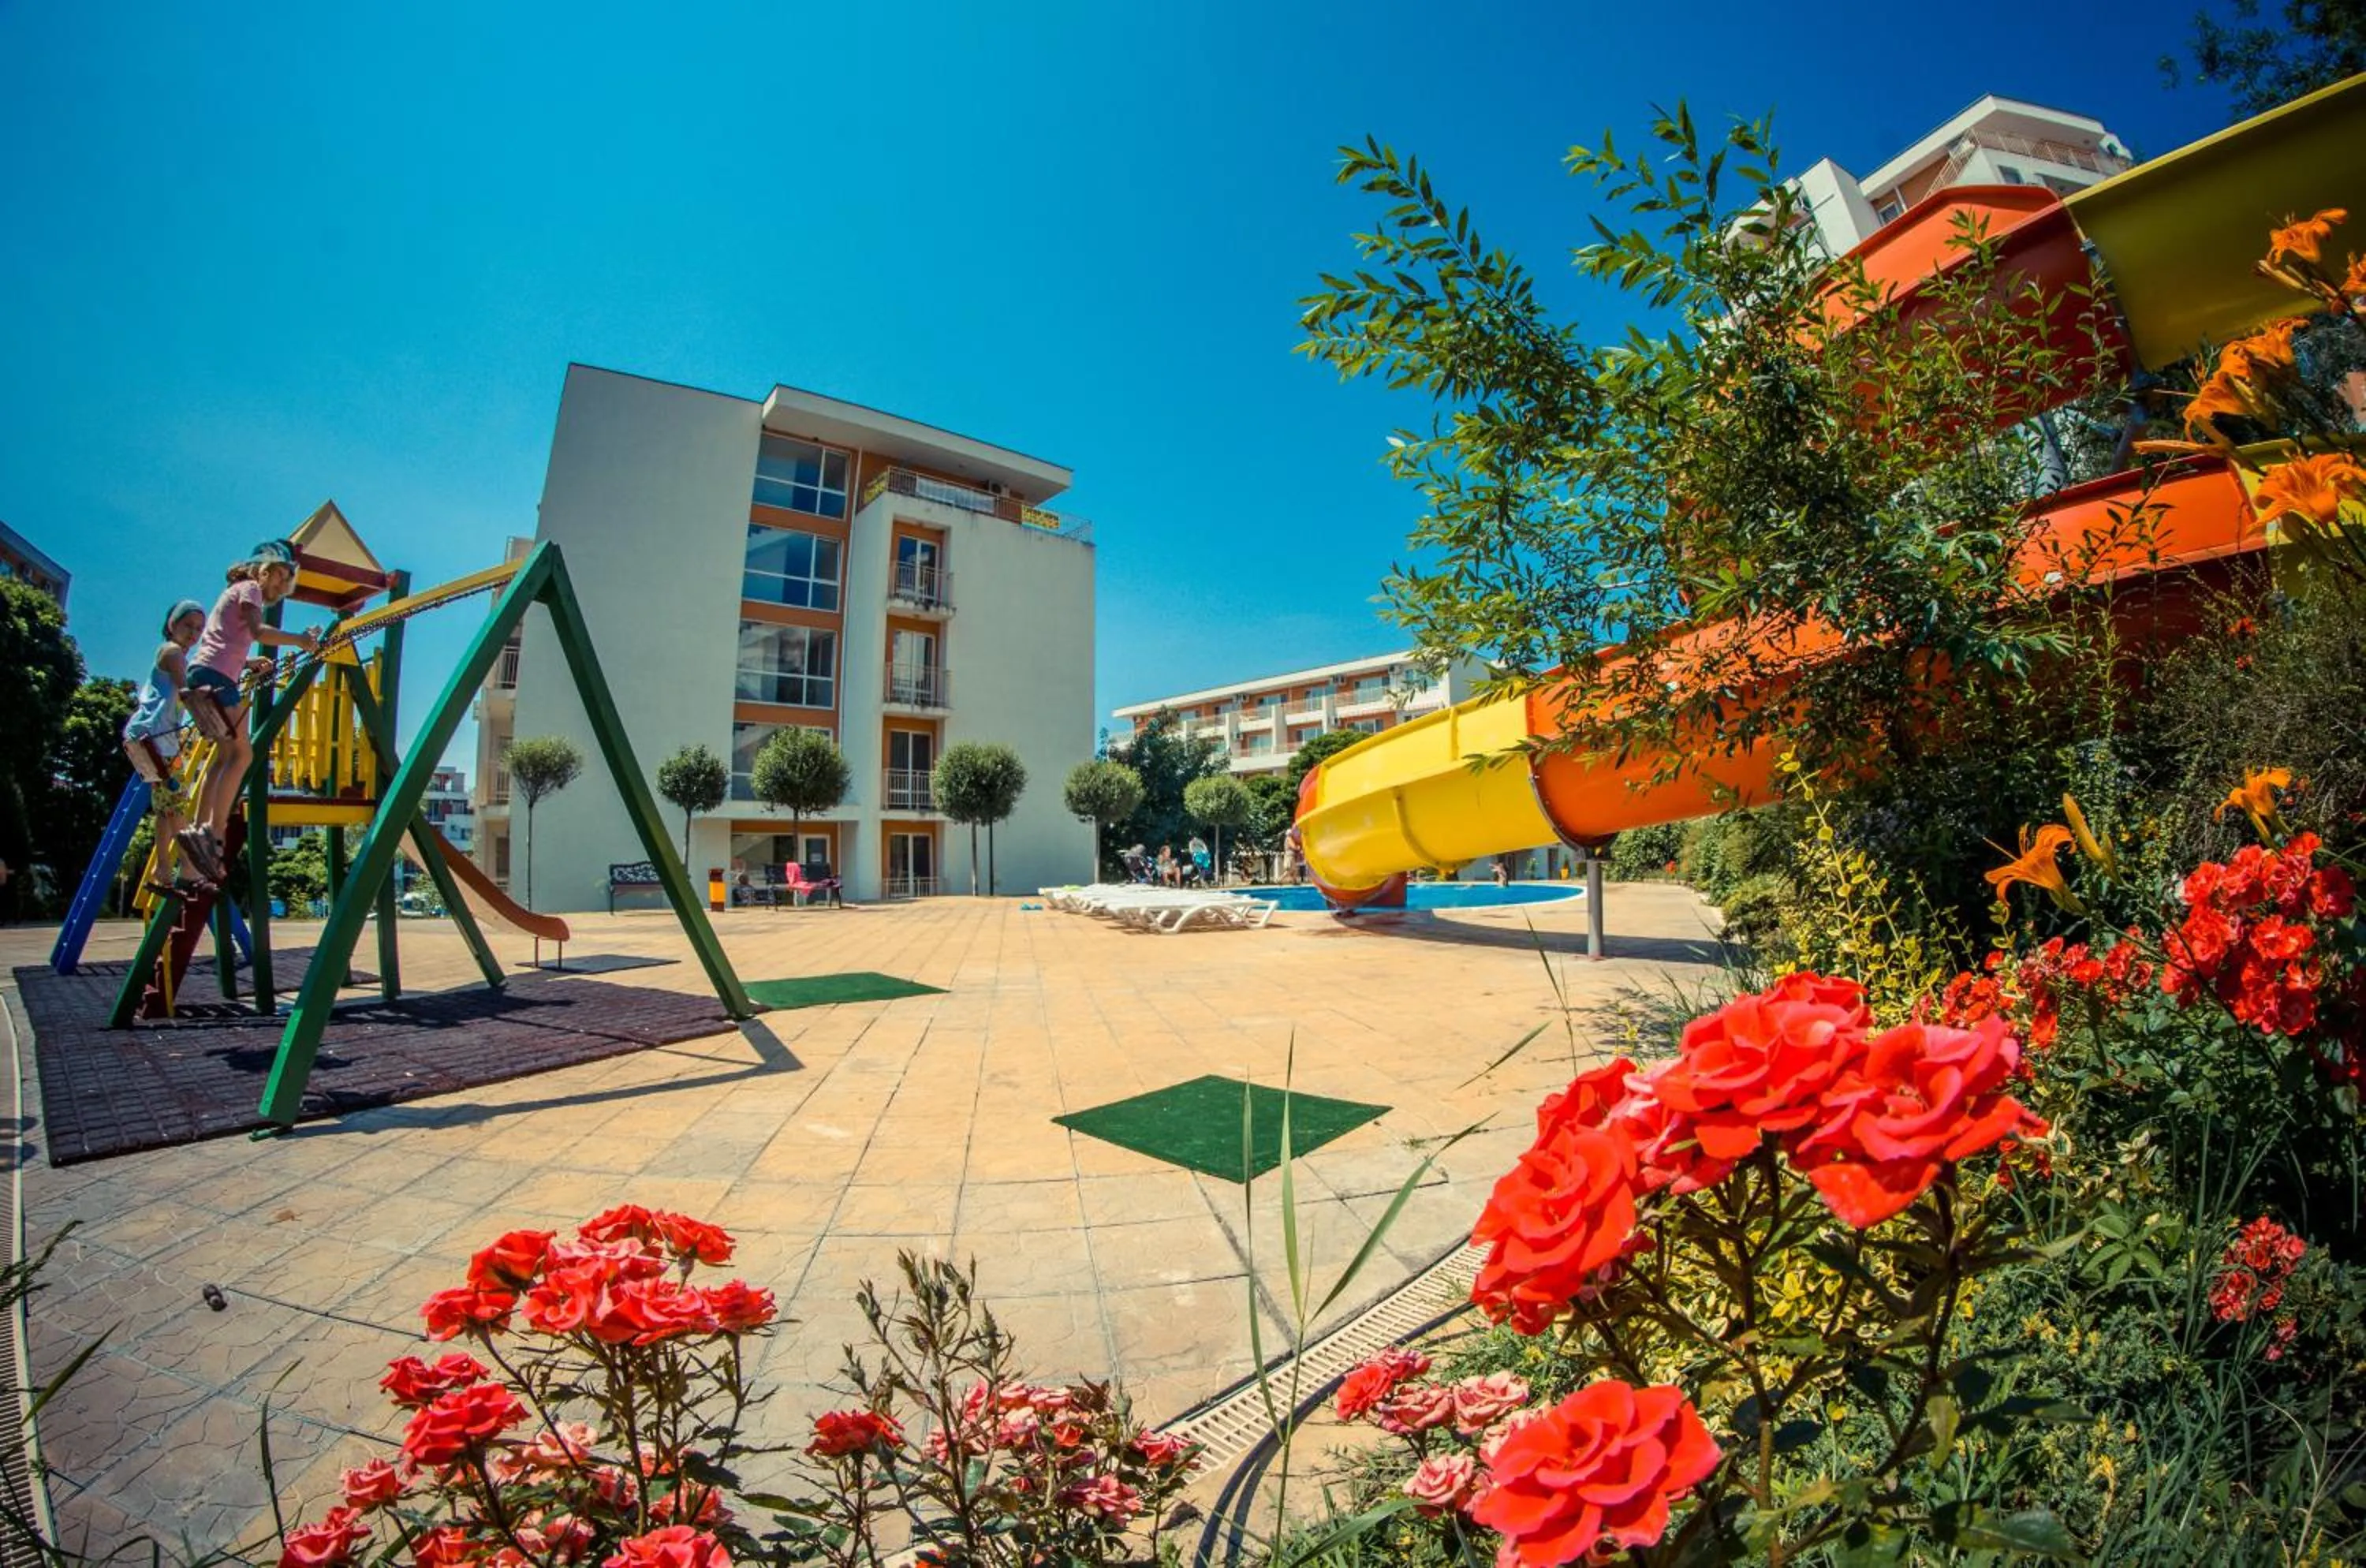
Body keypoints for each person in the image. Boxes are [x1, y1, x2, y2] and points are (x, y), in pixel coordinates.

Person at [180, 540, 319, 882]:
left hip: (202, 673)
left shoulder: (233, 593)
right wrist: (301, 641)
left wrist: (246, 662)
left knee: (223, 756)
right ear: (265, 570)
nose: (279, 587)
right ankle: (214, 831)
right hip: (216, 679)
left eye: (285, 582)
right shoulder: (250, 589)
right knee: (243, 755)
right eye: (279, 578)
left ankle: (199, 829)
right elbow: (259, 631)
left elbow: (224, 640)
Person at [122, 599, 209, 894]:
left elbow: (197, 673)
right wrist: (208, 722)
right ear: (172, 625)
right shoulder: (171, 652)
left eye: (199, 629)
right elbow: (187, 689)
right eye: (188, 626)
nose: (194, 634)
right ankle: (188, 866)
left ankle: (162, 869)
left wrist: (243, 666)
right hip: (156, 740)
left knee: (165, 809)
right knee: (178, 804)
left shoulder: (176, 655)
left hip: (151, 739)